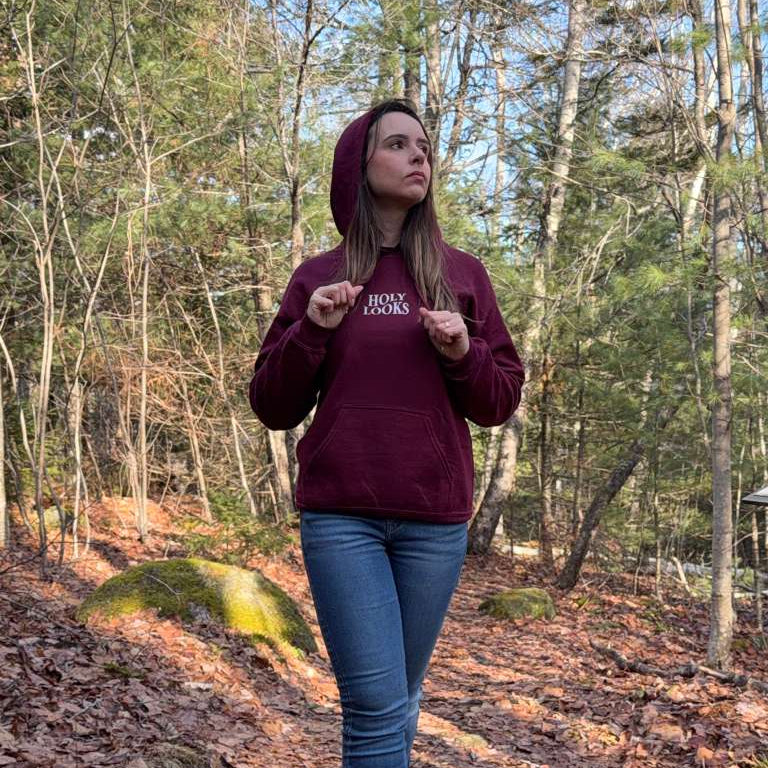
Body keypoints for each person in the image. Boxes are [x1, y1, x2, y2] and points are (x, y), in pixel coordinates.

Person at [249, 98, 525, 768]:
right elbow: (273, 405)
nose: (418, 156)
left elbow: (499, 401)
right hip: (344, 519)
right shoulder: (320, 277)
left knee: (398, 700)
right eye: (399, 144)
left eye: (424, 147)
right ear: (359, 165)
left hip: (435, 520)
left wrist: (465, 353)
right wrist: (312, 328)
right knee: (375, 710)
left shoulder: (462, 276)